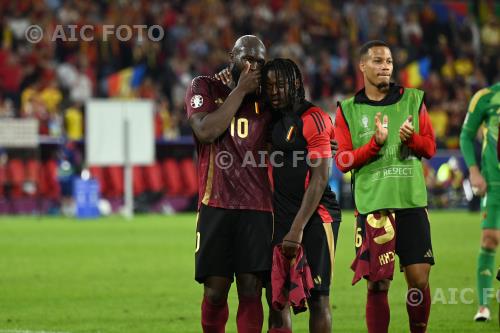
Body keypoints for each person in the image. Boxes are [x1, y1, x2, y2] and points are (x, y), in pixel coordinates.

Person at [334, 40, 436, 333]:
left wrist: (411, 140)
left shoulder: (413, 100)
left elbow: (429, 148)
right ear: (363, 66)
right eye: (378, 61)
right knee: (378, 285)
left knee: (419, 280)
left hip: (411, 202)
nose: (385, 66)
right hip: (373, 207)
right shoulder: (348, 110)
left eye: (389, 61)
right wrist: (374, 145)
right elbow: (343, 160)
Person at [185, 35, 273, 333]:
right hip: (215, 205)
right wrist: (239, 91)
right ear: (231, 56)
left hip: (257, 208)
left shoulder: (268, 98)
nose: (253, 66)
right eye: (246, 58)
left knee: (251, 290)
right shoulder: (204, 86)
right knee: (214, 291)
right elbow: (206, 131)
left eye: (259, 61)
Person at [262, 58, 341, 333]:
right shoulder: (271, 119)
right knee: (276, 300)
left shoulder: (315, 118)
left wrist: (296, 229)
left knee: (318, 298)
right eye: (268, 85)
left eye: (279, 84)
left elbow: (320, 179)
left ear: (295, 83)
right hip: (281, 216)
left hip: (317, 218)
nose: (273, 91)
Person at [459, 82, 500, 322]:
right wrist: (474, 172)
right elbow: (465, 135)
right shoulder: (485, 97)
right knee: (489, 238)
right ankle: (484, 305)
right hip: (493, 182)